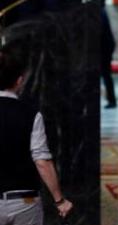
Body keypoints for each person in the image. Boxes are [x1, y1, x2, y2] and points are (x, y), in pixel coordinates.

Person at [0, 44, 73, 225]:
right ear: (20, 81)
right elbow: (42, 160)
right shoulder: (31, 114)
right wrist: (59, 200)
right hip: (25, 202)